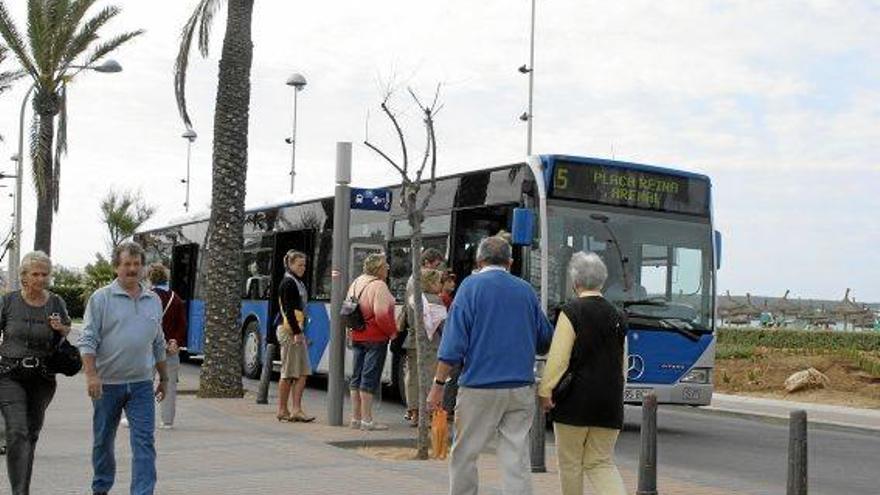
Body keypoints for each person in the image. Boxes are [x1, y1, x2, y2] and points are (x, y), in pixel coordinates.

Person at [427, 236, 553, 495]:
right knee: (515, 455)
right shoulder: (525, 290)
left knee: (465, 452)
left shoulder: (470, 288)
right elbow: (545, 339)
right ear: (510, 262)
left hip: (479, 386)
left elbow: (453, 344)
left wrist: (438, 385)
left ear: (479, 260)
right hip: (520, 387)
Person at [78, 242, 168, 495]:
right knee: (103, 441)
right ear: (116, 267)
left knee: (144, 442)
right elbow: (87, 339)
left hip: (141, 385)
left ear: (143, 268)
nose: (131, 269)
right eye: (126, 264)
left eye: (136, 264)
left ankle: (142, 492)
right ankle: (101, 488)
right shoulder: (101, 298)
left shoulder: (153, 300)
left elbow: (158, 341)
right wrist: (91, 375)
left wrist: (165, 377)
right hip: (107, 384)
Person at [538, 252, 628, 495]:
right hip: (610, 402)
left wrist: (546, 391)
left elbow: (558, 358)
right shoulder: (618, 315)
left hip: (573, 402)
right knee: (601, 462)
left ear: (575, 282)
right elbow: (623, 365)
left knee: (570, 464)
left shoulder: (571, 311)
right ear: (602, 281)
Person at [0, 251, 72, 495]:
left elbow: (67, 330)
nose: (41, 279)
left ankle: (23, 489)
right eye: (35, 274)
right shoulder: (8, 302)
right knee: (17, 430)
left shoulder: (55, 302)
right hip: (10, 374)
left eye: (45, 274)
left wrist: (61, 328)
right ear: (24, 276)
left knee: (31, 433)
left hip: (42, 378)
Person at [347, 253, 397, 431]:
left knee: (356, 376)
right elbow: (381, 314)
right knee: (369, 377)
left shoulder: (356, 282)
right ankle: (367, 420)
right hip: (375, 337)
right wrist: (392, 332)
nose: (388, 268)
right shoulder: (379, 285)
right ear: (379, 268)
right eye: (386, 265)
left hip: (358, 334)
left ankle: (355, 418)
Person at [401, 248, 445, 426]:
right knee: (428, 377)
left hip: (412, 340)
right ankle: (425, 415)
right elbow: (443, 326)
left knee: (413, 377)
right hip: (430, 343)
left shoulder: (413, 293)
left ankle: (413, 412)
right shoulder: (436, 301)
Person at [275, 250, 315, 423]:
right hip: (291, 331)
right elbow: (290, 310)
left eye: (304, 265)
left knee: (294, 372)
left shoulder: (294, 282)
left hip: (293, 330)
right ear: (290, 264)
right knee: (294, 372)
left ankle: (287, 409)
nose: (303, 268)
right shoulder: (289, 284)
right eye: (299, 265)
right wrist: (298, 333)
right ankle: (291, 409)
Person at [147, 264, 187, 430]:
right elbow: (182, 325)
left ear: (150, 278)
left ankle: (136, 416)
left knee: (143, 382)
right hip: (169, 349)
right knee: (169, 383)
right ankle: (167, 421)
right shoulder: (175, 299)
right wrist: (175, 341)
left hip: (148, 347)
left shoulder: (147, 297)